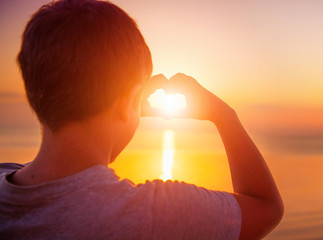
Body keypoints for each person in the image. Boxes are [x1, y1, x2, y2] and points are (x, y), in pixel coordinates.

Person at [0, 0, 283, 239]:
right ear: (129, 101)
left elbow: (69, 178)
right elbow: (266, 207)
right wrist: (224, 116)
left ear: (34, 91)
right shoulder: (155, 212)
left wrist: (124, 104)